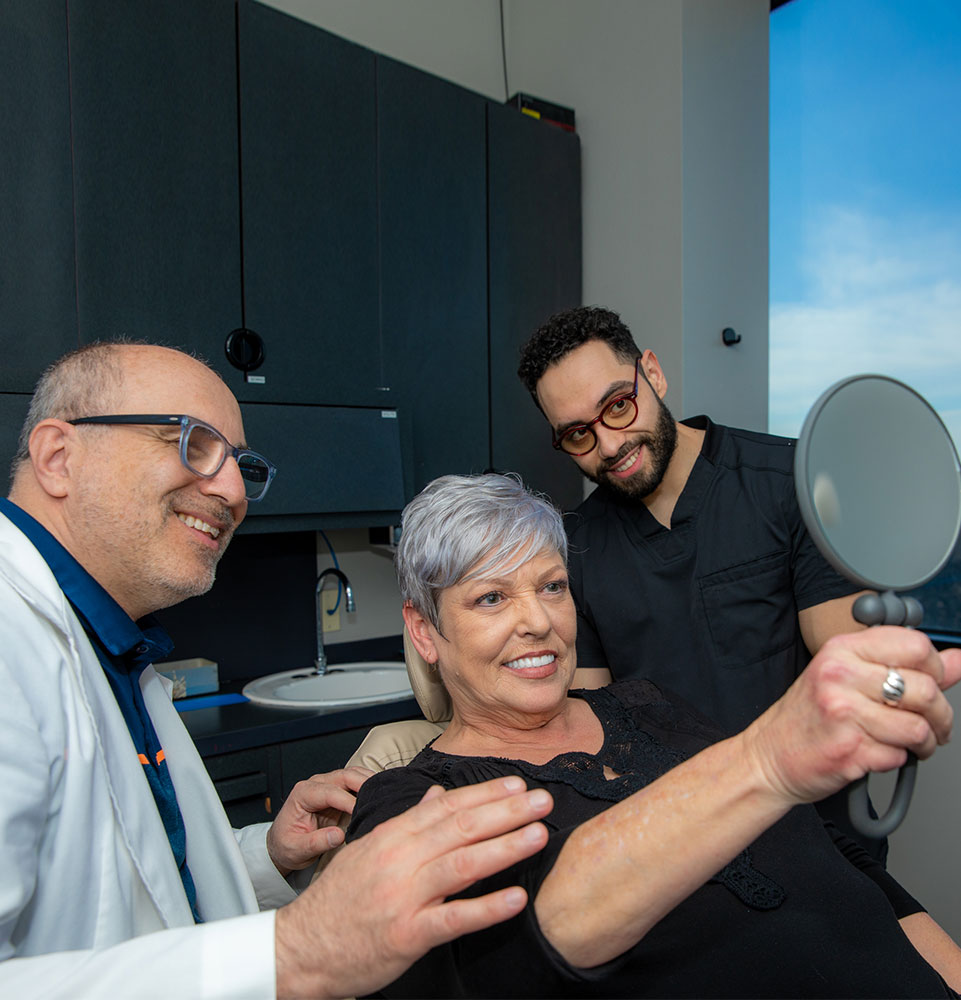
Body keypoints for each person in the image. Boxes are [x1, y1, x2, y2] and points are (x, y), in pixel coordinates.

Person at [0, 343, 555, 999]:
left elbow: (140, 891)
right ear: (60, 458)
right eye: (192, 444)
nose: (233, 490)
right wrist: (295, 951)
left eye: (240, 464)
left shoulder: (115, 648)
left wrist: (265, 856)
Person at [347, 473, 961, 998]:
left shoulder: (646, 703)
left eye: (552, 586)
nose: (538, 622)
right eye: (490, 598)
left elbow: (827, 848)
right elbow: (501, 956)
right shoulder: (410, 800)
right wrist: (767, 760)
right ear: (424, 631)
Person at [517, 304, 881, 854]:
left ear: (653, 374)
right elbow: (588, 729)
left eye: (618, 405)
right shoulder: (576, 548)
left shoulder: (788, 483)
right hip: (678, 849)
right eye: (577, 435)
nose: (610, 445)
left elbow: (851, 681)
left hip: (821, 834)